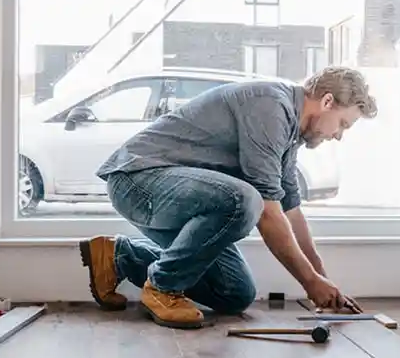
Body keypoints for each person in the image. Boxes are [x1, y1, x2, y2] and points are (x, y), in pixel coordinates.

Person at [76, 67, 378, 329]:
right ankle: (162, 288)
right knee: (245, 200)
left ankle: (119, 257)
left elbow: (290, 211)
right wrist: (309, 282)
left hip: (172, 197)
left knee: (234, 293)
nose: (339, 135)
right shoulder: (270, 107)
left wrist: (324, 283)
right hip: (138, 182)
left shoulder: (290, 133)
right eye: (343, 124)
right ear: (327, 102)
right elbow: (268, 212)